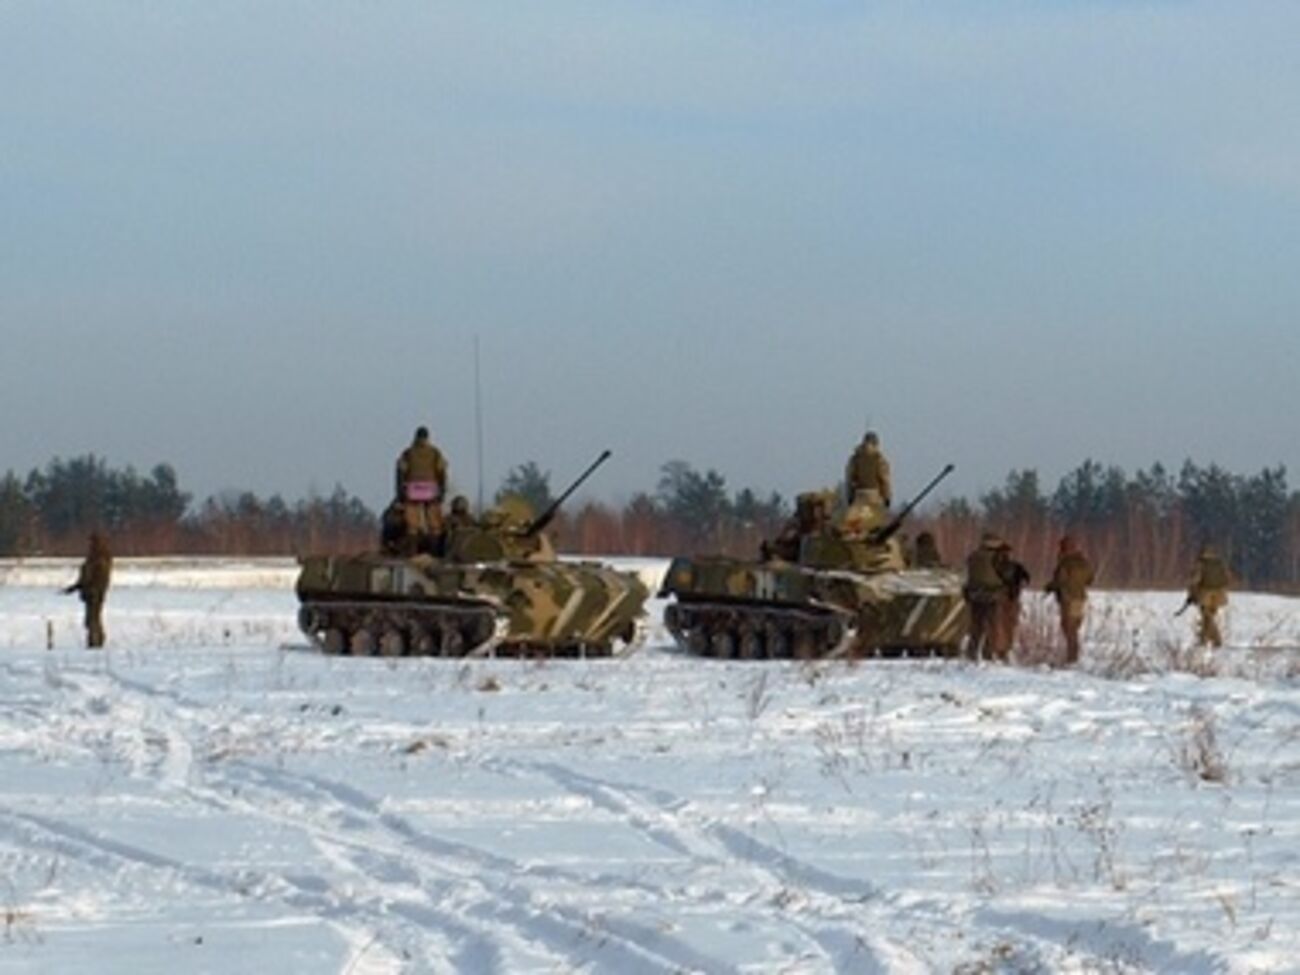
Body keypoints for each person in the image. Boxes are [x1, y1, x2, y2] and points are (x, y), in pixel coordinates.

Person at [395, 426, 448, 551]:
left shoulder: (408, 453)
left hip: (412, 490)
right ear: (427, 438)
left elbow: (401, 471)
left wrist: (400, 492)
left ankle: (412, 551)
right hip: (431, 490)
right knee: (435, 525)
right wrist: (442, 489)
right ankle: (436, 551)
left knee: (412, 525)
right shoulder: (435, 453)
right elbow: (442, 471)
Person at [1045, 535, 1094, 665]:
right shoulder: (1084, 562)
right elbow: (1090, 580)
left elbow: (1060, 581)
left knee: (1069, 628)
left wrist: (1049, 587)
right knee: (1074, 628)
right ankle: (1073, 656)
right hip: (1079, 598)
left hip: (1067, 598)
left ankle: (1072, 658)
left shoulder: (1065, 563)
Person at [63, 532, 112, 648]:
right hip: (91, 592)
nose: (89, 544)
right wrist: (75, 588)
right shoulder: (95, 557)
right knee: (91, 620)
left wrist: (86, 588)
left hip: (95, 593)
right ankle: (94, 642)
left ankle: (95, 643)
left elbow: (94, 578)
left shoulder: (99, 558)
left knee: (92, 620)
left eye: (91, 542)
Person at [963, 532, 1005, 660]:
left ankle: (972, 652)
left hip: (975, 595)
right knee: (992, 625)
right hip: (993, 595)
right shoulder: (999, 558)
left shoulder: (973, 556)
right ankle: (989, 653)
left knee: (976, 626)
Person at [1187, 544, 1232, 648]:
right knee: (1208, 617)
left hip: (1205, 594)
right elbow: (1227, 578)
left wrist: (1192, 595)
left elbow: (1194, 581)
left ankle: (1217, 640)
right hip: (1220, 594)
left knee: (1207, 616)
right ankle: (1203, 640)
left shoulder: (1201, 564)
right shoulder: (1219, 563)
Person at [993, 540, 1031, 660]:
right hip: (1013, 599)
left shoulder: (994, 566)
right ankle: (1005, 650)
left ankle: (1000, 650)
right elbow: (1027, 578)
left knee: (1000, 625)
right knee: (1009, 625)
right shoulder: (1016, 566)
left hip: (1001, 599)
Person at [845, 430, 892, 508]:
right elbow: (885, 480)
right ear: (876, 444)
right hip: (874, 496)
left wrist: (850, 497)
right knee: (876, 519)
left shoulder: (855, 458)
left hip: (859, 495)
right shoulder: (879, 459)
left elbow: (849, 479)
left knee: (858, 520)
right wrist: (887, 498)